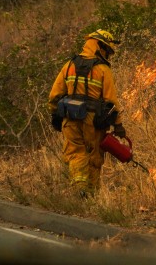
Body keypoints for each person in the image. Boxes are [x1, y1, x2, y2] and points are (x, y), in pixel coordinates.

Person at [48, 29, 127, 196]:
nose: (109, 55)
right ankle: (90, 194)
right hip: (92, 122)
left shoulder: (69, 65)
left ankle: (79, 188)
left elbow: (54, 95)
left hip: (69, 118)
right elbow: (111, 101)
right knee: (94, 156)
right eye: (108, 50)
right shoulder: (103, 70)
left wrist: (55, 114)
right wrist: (118, 125)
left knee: (76, 154)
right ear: (100, 46)